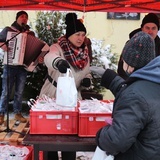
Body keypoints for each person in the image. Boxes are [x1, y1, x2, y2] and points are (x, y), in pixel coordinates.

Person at [92, 31, 160, 160]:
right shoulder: (154, 80)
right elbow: (143, 96)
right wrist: (112, 80)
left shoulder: (134, 95)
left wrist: (101, 134)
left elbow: (115, 141)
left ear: (129, 64)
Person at [39, 13, 91, 160]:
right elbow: (49, 57)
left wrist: (87, 81)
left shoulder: (84, 53)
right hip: (52, 96)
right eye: (77, 34)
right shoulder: (58, 47)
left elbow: (87, 73)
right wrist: (58, 62)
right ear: (69, 35)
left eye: (83, 34)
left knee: (70, 136)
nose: (80, 38)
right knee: (50, 136)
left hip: (72, 99)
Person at [0, 11, 35, 125]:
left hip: (23, 67)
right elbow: (0, 40)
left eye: (26, 17)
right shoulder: (8, 30)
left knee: (19, 92)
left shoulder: (30, 33)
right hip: (10, 65)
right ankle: (1, 114)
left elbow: (34, 48)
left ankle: (17, 113)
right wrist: (3, 45)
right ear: (17, 19)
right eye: (22, 17)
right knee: (6, 91)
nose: (24, 19)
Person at [117, 13, 160, 79]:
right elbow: (121, 69)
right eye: (147, 28)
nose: (150, 31)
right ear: (142, 28)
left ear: (157, 30)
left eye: (153, 28)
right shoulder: (131, 44)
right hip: (132, 82)